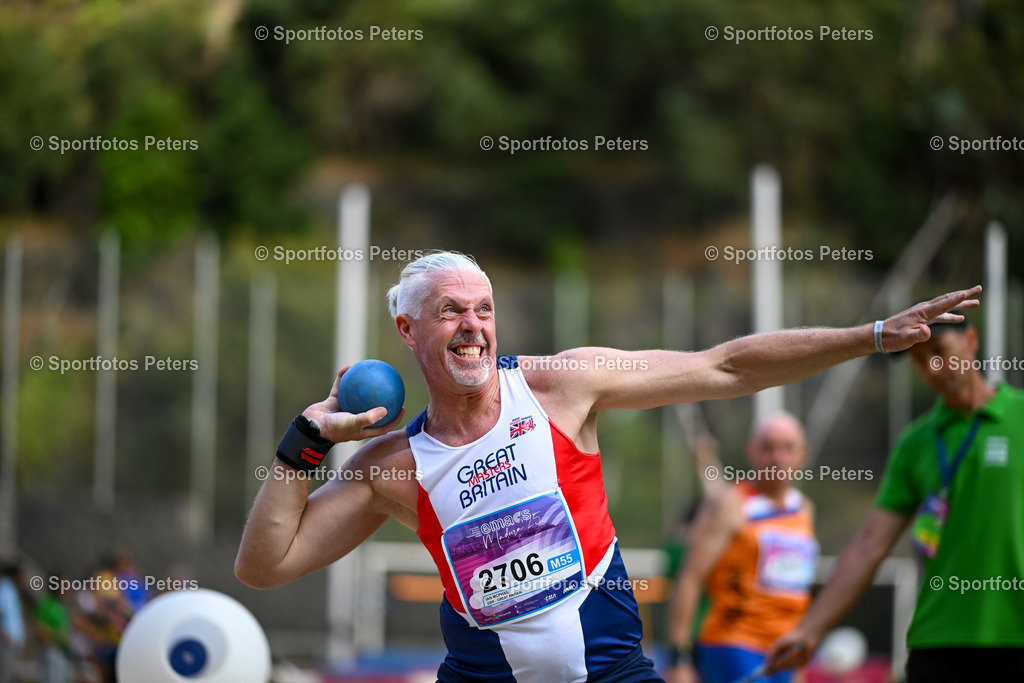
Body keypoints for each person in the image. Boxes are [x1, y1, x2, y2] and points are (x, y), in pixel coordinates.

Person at [235, 250, 979, 682]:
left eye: (484, 308)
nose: (473, 325)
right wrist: (307, 439)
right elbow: (267, 565)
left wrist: (871, 334)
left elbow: (724, 367)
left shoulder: (562, 385)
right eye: (451, 311)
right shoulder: (390, 465)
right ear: (407, 327)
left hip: (615, 674)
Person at [767, 315, 1024, 682]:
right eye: (919, 360)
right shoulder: (915, 443)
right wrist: (809, 630)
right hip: (937, 642)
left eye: (939, 351)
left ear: (970, 340)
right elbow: (869, 545)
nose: (932, 367)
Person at [667, 413, 816, 683]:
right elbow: (690, 578)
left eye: (787, 448)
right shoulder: (730, 504)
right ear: (752, 452)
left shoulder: (803, 508)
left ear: (802, 454)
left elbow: (796, 588)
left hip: (785, 648)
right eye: (768, 447)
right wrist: (679, 658)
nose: (777, 458)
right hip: (734, 643)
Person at [0, 563, 26, 683]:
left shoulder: (12, 591)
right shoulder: (4, 589)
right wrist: (4, 635)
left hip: (11, 644)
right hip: (5, 643)